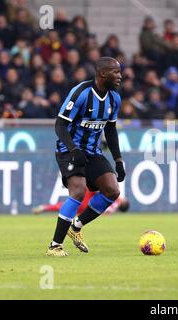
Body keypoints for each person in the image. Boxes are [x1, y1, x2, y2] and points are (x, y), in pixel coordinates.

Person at [46, 57, 125, 257]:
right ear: (102, 74)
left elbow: (111, 129)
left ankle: (76, 227)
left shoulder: (114, 98)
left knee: (112, 190)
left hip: (92, 151)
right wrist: (73, 150)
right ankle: (54, 246)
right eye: (116, 72)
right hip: (68, 150)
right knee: (78, 191)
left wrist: (118, 160)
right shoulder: (81, 93)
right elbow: (60, 125)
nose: (120, 76)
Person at [32, 188, 130, 215]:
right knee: (65, 207)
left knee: (67, 205)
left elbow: (109, 209)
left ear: (123, 203)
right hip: (88, 207)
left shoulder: (116, 201)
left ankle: (44, 208)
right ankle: (44, 208)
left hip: (88, 199)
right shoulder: (115, 203)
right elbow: (107, 211)